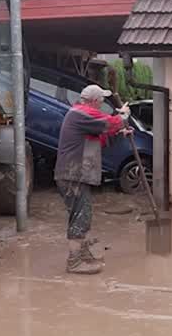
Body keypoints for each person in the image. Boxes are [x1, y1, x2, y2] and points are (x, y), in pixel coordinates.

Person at [54, 85, 132, 274]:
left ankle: (84, 256)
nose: (102, 103)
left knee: (83, 215)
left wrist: (119, 132)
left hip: (76, 175)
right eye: (101, 100)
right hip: (73, 175)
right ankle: (74, 262)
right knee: (80, 218)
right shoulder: (81, 114)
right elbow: (109, 123)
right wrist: (123, 117)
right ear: (94, 101)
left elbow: (100, 138)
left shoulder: (83, 118)